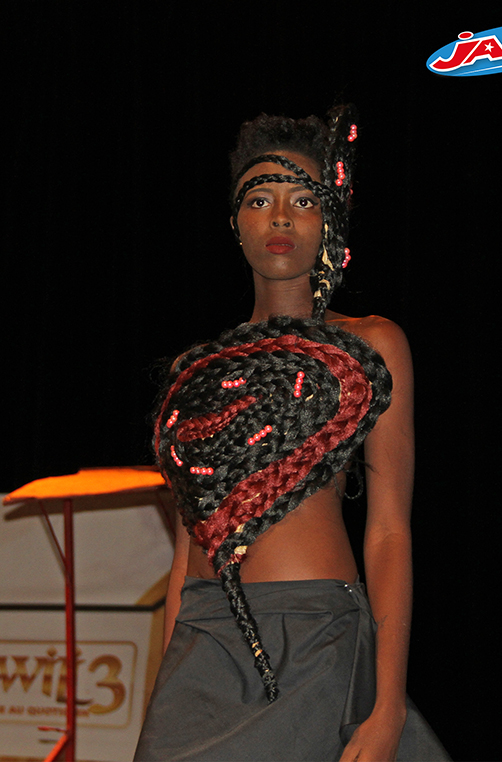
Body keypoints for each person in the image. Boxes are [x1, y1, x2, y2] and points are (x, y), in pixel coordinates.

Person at [134, 106, 450, 761]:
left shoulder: (371, 345)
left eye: (303, 200)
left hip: (317, 641)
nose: (280, 217)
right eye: (260, 199)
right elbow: (186, 556)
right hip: (203, 647)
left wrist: (387, 706)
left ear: (329, 220)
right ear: (235, 222)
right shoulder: (196, 373)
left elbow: (389, 531)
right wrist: (162, 700)